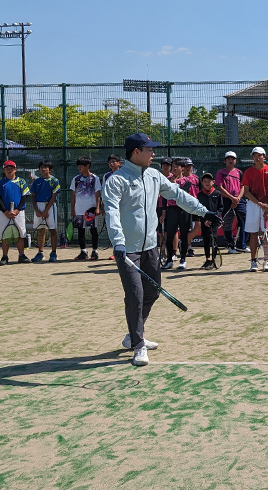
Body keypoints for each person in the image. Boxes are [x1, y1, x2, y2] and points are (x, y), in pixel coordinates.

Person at [103, 133, 216, 366]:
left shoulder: (155, 176)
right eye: (149, 150)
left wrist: (204, 212)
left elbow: (178, 195)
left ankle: (135, 333)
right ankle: (138, 344)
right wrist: (118, 243)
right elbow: (112, 213)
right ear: (136, 152)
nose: (153, 154)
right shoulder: (117, 180)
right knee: (135, 295)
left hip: (151, 247)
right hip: (128, 250)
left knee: (152, 292)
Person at [241, 146, 268, 272]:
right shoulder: (248, 172)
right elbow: (246, 192)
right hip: (253, 205)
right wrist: (259, 204)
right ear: (252, 157)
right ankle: (253, 261)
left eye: (260, 155)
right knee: (253, 234)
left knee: (266, 234)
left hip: (267, 205)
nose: (257, 157)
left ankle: (266, 261)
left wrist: (267, 207)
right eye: (255, 155)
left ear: (264, 157)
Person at [0, 160, 31, 265]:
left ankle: (21, 255)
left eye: (11, 168)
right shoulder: (0, 183)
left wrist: (17, 210)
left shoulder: (21, 181)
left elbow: (24, 197)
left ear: (15, 169)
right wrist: (5, 211)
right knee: (5, 235)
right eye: (7, 168)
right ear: (3, 170)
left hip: (19, 213)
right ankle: (5, 257)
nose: (9, 170)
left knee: (20, 234)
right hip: (4, 213)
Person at [70, 157, 102, 261]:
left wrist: (97, 208)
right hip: (79, 209)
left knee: (93, 230)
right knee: (80, 231)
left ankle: (94, 251)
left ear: (87, 166)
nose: (79, 167)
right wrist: (72, 209)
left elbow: (98, 194)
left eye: (81, 165)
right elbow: (73, 195)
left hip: (91, 210)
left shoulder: (95, 178)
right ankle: (83, 252)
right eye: (78, 165)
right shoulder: (76, 179)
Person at [216, 151, 247, 254]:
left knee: (245, 221)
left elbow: (243, 187)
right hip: (225, 200)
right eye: (228, 158)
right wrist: (232, 198)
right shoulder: (220, 172)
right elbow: (220, 187)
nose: (230, 160)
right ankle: (230, 245)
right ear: (225, 160)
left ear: (236, 161)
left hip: (239, 200)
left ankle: (241, 245)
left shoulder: (239, 172)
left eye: (232, 158)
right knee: (227, 223)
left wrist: (237, 198)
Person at [30, 160, 60, 263]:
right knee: (40, 230)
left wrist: (46, 210)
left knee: (52, 229)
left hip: (50, 206)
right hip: (38, 206)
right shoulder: (36, 182)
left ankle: (53, 253)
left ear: (50, 169)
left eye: (46, 167)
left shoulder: (54, 180)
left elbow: (54, 196)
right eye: (41, 167)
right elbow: (33, 197)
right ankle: (40, 253)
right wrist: (37, 210)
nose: (43, 169)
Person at [196, 173, 223, 270]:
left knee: (214, 239)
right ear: (202, 183)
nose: (207, 183)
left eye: (209, 181)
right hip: (204, 222)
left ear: (213, 182)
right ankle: (208, 259)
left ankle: (214, 259)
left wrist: (215, 217)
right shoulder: (199, 195)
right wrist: (204, 220)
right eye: (205, 181)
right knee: (206, 240)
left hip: (214, 222)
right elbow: (198, 209)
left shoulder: (217, 194)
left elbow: (221, 208)